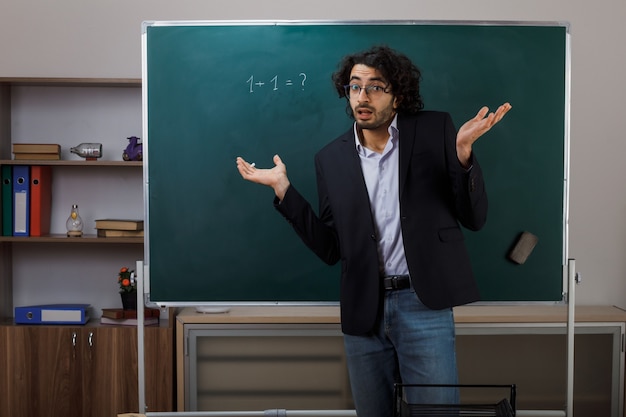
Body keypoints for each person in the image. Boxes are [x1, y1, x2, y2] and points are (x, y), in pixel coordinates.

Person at [236, 45, 511, 417]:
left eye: (375, 87)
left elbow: (473, 218)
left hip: (424, 303)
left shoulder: (434, 131)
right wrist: (284, 190)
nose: (362, 97)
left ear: (398, 95)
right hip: (364, 309)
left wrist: (462, 154)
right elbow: (331, 248)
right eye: (354, 87)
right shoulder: (330, 158)